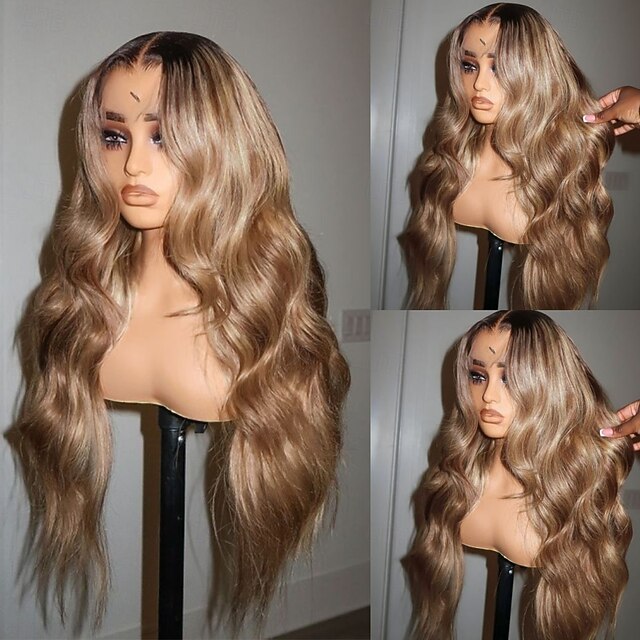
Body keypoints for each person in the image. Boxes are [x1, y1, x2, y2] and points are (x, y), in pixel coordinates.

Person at [11, 32, 350, 632]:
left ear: (223, 144)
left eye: (162, 136)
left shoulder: (254, 321)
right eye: (115, 136)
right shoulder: (83, 307)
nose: (133, 165)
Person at [403, 310, 632, 640]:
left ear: (547, 382)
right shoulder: (457, 480)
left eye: (508, 378)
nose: (488, 396)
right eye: (478, 376)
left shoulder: (567, 495)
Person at [400, 3, 614, 309]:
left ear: (535, 72)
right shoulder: (449, 163)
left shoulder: (553, 177)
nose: (479, 84)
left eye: (498, 67)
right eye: (469, 66)